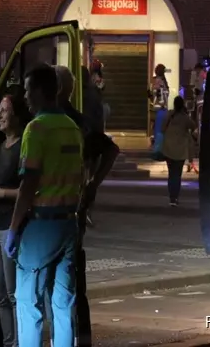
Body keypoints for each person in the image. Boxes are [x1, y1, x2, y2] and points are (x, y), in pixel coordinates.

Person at [5, 64, 84, 347]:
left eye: (27, 90)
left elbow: (29, 185)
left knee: (28, 303)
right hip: (68, 224)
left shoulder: (36, 129)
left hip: (41, 226)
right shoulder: (72, 128)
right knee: (62, 304)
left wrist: (13, 229)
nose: (25, 97)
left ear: (39, 91)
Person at [55, 65, 120, 347]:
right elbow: (111, 149)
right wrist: (92, 185)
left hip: (52, 212)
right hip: (73, 209)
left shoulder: (47, 121)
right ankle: (81, 338)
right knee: (74, 280)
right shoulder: (80, 121)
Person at [0, 91, 33, 347]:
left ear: (16, 114)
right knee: (0, 293)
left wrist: (3, 193)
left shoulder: (23, 146)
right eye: (0, 111)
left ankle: (19, 341)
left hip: (13, 226)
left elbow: (31, 190)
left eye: (5, 110)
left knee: (14, 293)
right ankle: (8, 341)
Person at [161, 96, 197, 206]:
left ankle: (171, 197)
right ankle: (175, 197)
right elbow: (193, 125)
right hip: (180, 150)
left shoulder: (169, 115)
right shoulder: (185, 117)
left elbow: (162, 128)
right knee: (177, 175)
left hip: (168, 148)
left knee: (171, 174)